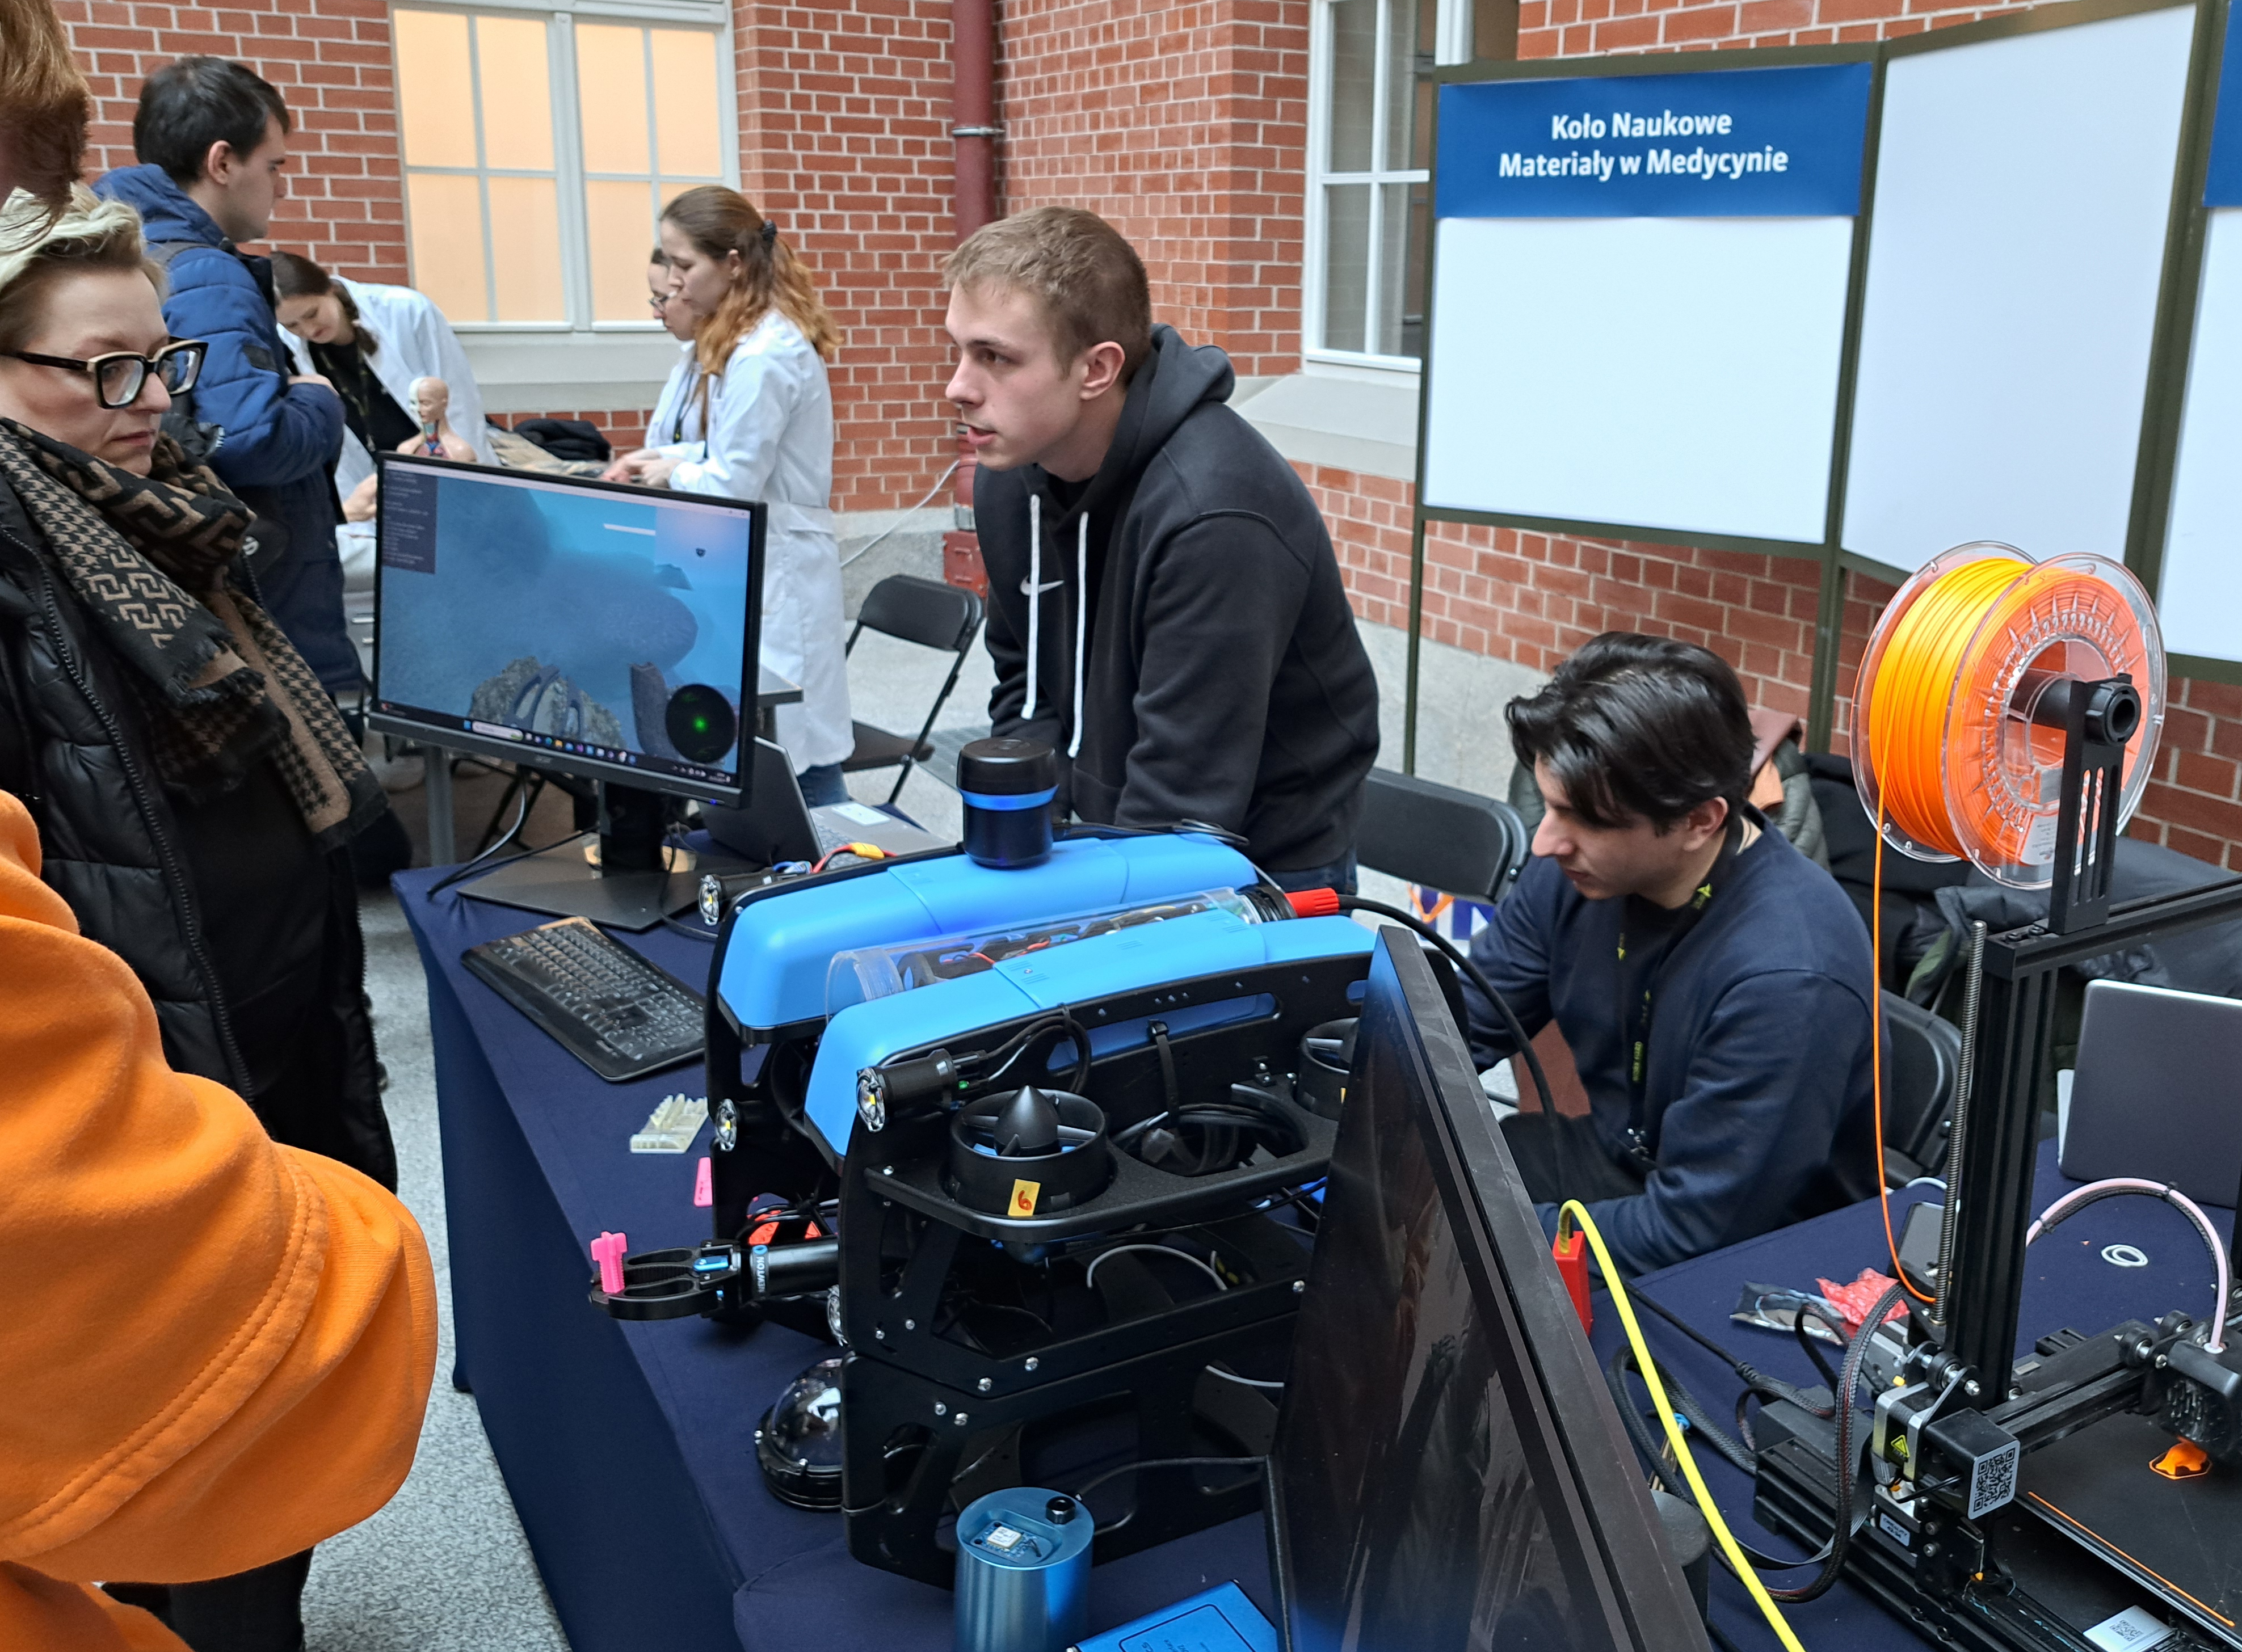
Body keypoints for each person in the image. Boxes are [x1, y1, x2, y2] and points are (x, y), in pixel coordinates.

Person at [0, 0, 435, 1652]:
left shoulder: (155, 525)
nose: (152, 409)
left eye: (160, 365)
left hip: (251, 1036)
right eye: (104, 373)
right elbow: (180, 1347)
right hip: (184, 1113)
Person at [945, 206, 1377, 894]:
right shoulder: (1014, 475)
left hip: (1263, 865)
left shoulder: (1213, 513)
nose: (959, 387)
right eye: (960, 351)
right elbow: (1026, 685)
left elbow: (1183, 800)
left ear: (1096, 369)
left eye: (995, 357)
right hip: (1110, 838)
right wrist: (1031, 842)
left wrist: (1078, 911)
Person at [1470, 632, 1878, 1274]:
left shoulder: (1788, 977)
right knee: (1436, 1173)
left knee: (1464, 1239)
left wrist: (1482, 1230)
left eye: (1584, 819)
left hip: (1760, 1254)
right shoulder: (1573, 874)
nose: (1546, 842)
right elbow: (1462, 1020)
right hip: (1623, 1163)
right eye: (1549, 806)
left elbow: (1690, 1233)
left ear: (1699, 821)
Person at [95, 58, 359, 692]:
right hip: (269, 596)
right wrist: (320, 402)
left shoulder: (130, 252)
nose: (280, 188)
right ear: (221, 162)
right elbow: (246, 438)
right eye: (274, 166)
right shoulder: (207, 274)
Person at [604, 188, 854, 804]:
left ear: (734, 263)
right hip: (753, 559)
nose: (675, 284)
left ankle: (831, 853)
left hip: (782, 568)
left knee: (794, 748)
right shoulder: (743, 343)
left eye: (684, 266)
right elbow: (730, 453)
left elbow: (736, 481)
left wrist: (669, 472)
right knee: (748, 736)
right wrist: (666, 460)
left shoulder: (766, 355)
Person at [272, 251, 497, 466]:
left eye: (312, 314)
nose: (308, 330)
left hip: (437, 460)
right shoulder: (286, 345)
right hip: (373, 473)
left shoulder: (407, 310)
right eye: (292, 325)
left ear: (329, 288)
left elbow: (458, 400)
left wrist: (465, 470)